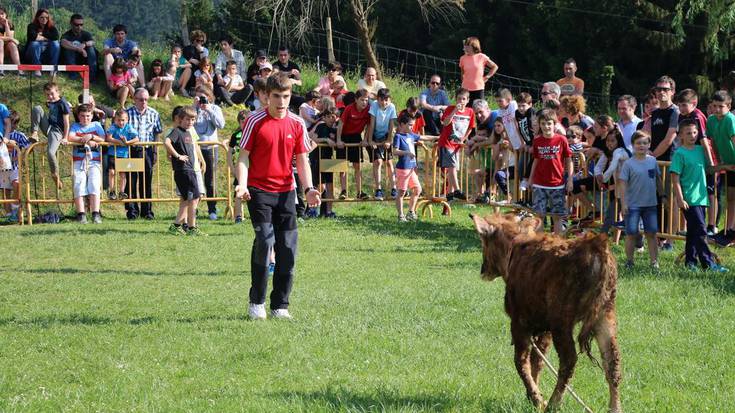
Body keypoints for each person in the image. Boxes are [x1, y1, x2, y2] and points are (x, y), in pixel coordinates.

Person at [235, 72, 320, 320]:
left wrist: (309, 188)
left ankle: (280, 306)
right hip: (259, 191)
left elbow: (302, 161)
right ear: (266, 97)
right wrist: (242, 185)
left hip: (287, 193)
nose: (281, 102)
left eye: (286, 96)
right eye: (276, 97)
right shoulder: (254, 121)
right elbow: (243, 158)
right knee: (265, 243)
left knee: (288, 249)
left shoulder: (296, 123)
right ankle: (256, 303)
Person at [671, 119, 729, 272]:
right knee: (701, 231)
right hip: (689, 199)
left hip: (701, 198)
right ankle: (708, 264)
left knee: (693, 231)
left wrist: (725, 167)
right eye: (688, 133)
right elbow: (675, 179)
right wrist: (680, 198)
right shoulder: (679, 154)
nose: (692, 135)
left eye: (695, 132)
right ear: (681, 135)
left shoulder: (699, 150)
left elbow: (709, 170)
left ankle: (690, 263)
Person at [618, 131, 660, 270]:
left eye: (644, 143)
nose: (641, 146)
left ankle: (654, 262)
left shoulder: (652, 161)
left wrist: (664, 195)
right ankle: (629, 261)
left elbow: (658, 179)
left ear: (649, 145)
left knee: (652, 233)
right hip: (633, 205)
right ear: (633, 145)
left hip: (650, 205)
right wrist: (624, 203)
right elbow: (622, 184)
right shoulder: (628, 164)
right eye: (638, 143)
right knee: (631, 233)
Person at [528, 108, 574, 234]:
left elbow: (569, 160)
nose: (546, 126)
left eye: (549, 123)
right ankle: (540, 246)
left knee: (557, 217)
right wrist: (531, 179)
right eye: (543, 123)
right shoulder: (537, 141)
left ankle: (557, 246)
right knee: (539, 216)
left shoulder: (561, 140)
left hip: (557, 184)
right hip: (539, 183)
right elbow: (536, 160)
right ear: (539, 124)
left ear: (555, 124)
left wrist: (570, 180)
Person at [165, 106, 207, 236]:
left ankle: (177, 226)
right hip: (183, 170)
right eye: (187, 119)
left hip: (190, 169)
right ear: (180, 119)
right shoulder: (177, 131)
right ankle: (191, 227)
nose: (190, 122)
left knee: (186, 199)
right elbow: (166, 142)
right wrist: (178, 156)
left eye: (193, 119)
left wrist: (201, 160)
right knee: (194, 198)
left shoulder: (189, 132)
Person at [126, 88, 162, 220]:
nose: (143, 102)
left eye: (146, 99)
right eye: (141, 99)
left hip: (147, 150)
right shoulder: (126, 113)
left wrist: (155, 151)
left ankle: (147, 212)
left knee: (146, 182)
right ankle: (132, 212)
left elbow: (157, 132)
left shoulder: (154, 113)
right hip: (131, 151)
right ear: (134, 99)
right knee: (131, 181)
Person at [67, 104, 105, 224]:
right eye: (82, 116)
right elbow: (70, 137)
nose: (85, 119)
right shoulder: (75, 126)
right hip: (79, 160)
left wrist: (92, 136)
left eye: (88, 116)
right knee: (79, 184)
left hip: (94, 161)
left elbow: (103, 138)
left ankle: (95, 213)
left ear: (92, 116)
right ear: (78, 116)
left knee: (94, 184)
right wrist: (85, 140)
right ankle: (81, 214)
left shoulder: (96, 125)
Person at [192, 85, 225, 220]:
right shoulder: (193, 109)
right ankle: (193, 209)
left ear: (209, 97)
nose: (202, 100)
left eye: (204, 97)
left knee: (210, 180)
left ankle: (212, 209)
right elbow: (188, 124)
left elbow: (221, 125)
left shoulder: (215, 108)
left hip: (211, 148)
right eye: (199, 97)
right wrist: (195, 108)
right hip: (195, 148)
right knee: (194, 179)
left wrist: (209, 110)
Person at [30, 81, 70, 189]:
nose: (50, 96)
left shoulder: (63, 103)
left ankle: (55, 174)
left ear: (58, 92)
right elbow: (49, 106)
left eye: (52, 94)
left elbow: (66, 122)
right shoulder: (51, 102)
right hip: (48, 127)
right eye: (47, 95)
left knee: (51, 152)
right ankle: (34, 133)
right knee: (37, 108)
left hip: (57, 132)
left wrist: (65, 137)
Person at [707, 90, 735, 246]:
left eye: (721, 106)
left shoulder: (731, 120)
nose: (717, 109)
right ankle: (728, 230)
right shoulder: (711, 120)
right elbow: (714, 142)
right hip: (729, 164)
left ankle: (732, 232)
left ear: (729, 106)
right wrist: (720, 163)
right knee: (730, 197)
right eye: (714, 106)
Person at [437, 88, 475, 200]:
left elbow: (470, 128)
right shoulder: (450, 109)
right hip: (446, 142)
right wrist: (454, 112)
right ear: (456, 99)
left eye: (463, 99)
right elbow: (445, 123)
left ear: (467, 100)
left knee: (452, 171)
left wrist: (463, 139)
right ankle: (457, 190)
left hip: (457, 145)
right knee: (452, 167)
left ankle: (449, 197)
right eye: (459, 99)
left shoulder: (470, 112)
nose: (461, 101)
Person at [336, 89, 371, 200]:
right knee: (342, 165)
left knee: (357, 166)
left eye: (366, 100)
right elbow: (340, 124)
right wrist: (338, 140)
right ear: (356, 100)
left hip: (356, 137)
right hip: (344, 136)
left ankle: (359, 192)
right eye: (362, 100)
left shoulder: (369, 109)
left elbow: (369, 125)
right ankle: (343, 191)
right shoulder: (349, 108)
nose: (364, 102)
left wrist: (365, 139)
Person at [366, 88, 398, 200]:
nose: (383, 102)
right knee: (378, 161)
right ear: (377, 99)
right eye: (381, 100)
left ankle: (394, 189)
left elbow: (391, 125)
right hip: (374, 134)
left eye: (386, 100)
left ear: (389, 100)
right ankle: (378, 190)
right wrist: (370, 140)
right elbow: (371, 123)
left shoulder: (392, 107)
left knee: (389, 162)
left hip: (385, 134)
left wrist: (389, 140)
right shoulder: (374, 105)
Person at [393, 114, 424, 222]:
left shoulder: (411, 135)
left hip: (411, 169)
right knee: (401, 192)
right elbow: (395, 151)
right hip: (403, 169)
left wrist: (440, 137)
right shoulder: (398, 136)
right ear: (402, 124)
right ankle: (401, 216)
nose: (412, 127)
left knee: (417, 189)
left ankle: (411, 212)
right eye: (410, 125)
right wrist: (407, 152)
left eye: (413, 125)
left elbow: (423, 137)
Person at [309, 107, 339, 218]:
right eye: (330, 116)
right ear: (325, 117)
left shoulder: (335, 129)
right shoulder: (321, 126)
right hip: (317, 158)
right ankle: (313, 210)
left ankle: (329, 212)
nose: (332, 119)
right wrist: (326, 139)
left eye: (334, 117)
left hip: (329, 159)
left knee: (330, 186)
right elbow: (314, 139)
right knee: (319, 186)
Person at [1, 111, 29, 221]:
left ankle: (15, 207)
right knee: (5, 190)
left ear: (16, 124)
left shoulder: (19, 135)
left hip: (15, 166)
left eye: (13, 123)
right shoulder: (1, 135)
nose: (11, 125)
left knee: (17, 184)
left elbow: (28, 148)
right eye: (8, 123)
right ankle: (9, 215)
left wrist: (18, 157)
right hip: (3, 167)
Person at [106, 109, 139, 200]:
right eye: (118, 120)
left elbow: (136, 139)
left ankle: (121, 192)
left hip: (124, 154)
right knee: (112, 172)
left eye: (123, 120)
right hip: (113, 153)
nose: (121, 122)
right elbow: (109, 138)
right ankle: (112, 191)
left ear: (127, 119)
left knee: (123, 174)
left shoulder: (129, 127)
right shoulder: (113, 127)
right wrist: (118, 141)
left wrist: (127, 142)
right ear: (115, 120)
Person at [459, 36, 498, 103]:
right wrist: (463, 85)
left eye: (468, 45)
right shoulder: (462, 58)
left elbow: (494, 67)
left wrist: (487, 77)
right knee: (466, 110)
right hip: (465, 89)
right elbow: (462, 73)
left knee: (479, 108)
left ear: (474, 46)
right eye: (465, 45)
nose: (465, 47)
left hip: (478, 88)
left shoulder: (482, 56)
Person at [60, 14, 97, 82]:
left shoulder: (86, 34)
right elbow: (63, 42)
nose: (79, 27)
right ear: (71, 24)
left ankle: (92, 77)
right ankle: (73, 75)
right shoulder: (67, 34)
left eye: (81, 24)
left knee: (91, 48)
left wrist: (84, 44)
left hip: (84, 59)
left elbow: (92, 42)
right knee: (68, 49)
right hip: (71, 59)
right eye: (76, 25)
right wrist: (78, 49)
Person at [227, 110, 249, 223]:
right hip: (240, 168)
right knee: (238, 192)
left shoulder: (254, 133)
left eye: (247, 121)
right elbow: (229, 153)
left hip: (253, 168)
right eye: (242, 122)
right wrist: (233, 168)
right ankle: (238, 216)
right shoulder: (236, 135)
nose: (244, 124)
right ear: (239, 122)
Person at [24, 8, 59, 76]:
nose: (44, 19)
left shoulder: (52, 27)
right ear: (37, 18)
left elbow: (55, 37)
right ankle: (36, 68)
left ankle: (53, 68)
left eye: (46, 17)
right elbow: (33, 37)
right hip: (32, 54)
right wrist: (47, 38)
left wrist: (41, 35)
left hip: (46, 54)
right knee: (35, 44)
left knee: (56, 44)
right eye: (42, 17)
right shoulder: (31, 26)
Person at [0, 6, 22, 76]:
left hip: (6, 49)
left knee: (12, 44)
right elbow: (10, 38)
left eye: (2, 13)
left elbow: (10, 37)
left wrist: (6, 26)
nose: (0, 16)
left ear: (6, 14)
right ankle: (1, 69)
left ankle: (20, 70)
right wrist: (12, 39)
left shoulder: (10, 24)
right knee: (0, 42)